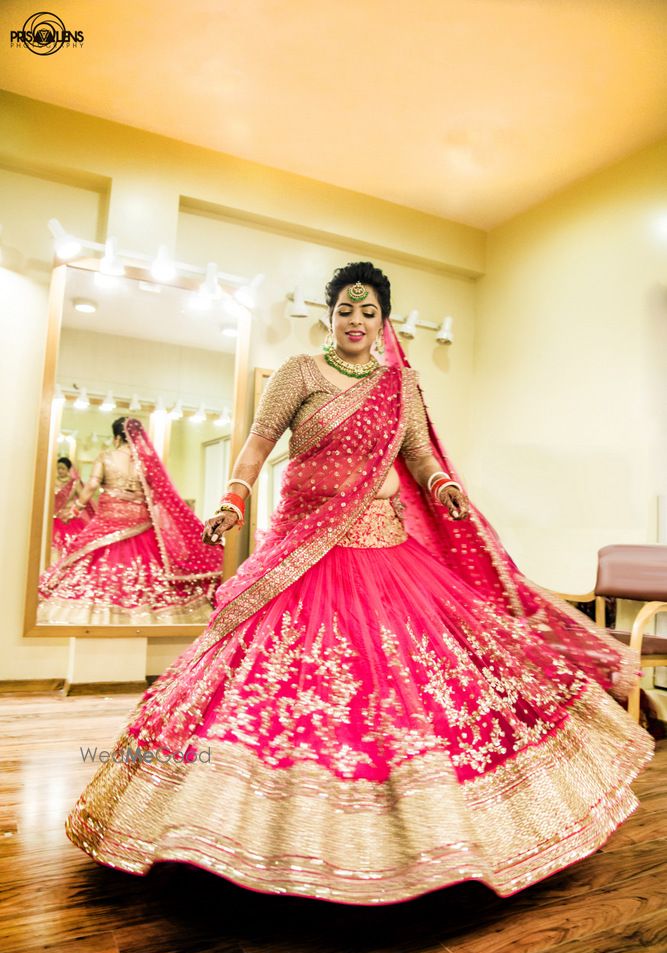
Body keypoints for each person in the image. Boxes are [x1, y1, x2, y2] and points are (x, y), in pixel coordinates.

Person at [66, 262, 652, 904]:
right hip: (305, 552)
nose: (356, 321)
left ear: (383, 322)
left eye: (369, 312)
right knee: (278, 684)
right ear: (329, 314)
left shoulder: (401, 385)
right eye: (346, 309)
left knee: (417, 683)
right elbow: (258, 446)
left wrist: (442, 485)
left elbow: (419, 454)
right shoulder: (299, 374)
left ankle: (434, 838)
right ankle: (220, 830)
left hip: (387, 552)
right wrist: (235, 497)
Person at [38, 416, 222, 626]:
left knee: (92, 562)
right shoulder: (146, 461)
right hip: (141, 520)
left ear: (117, 437)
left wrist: (76, 508)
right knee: (151, 564)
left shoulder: (106, 456)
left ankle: (100, 614)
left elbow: (91, 486)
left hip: (109, 517)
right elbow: (156, 494)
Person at [51, 456, 95, 558]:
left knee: (70, 546)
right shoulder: (52, 482)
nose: (60, 471)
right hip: (55, 517)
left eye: (63, 468)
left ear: (68, 470)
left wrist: (73, 511)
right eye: (58, 468)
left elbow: (82, 498)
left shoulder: (74, 484)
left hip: (69, 518)